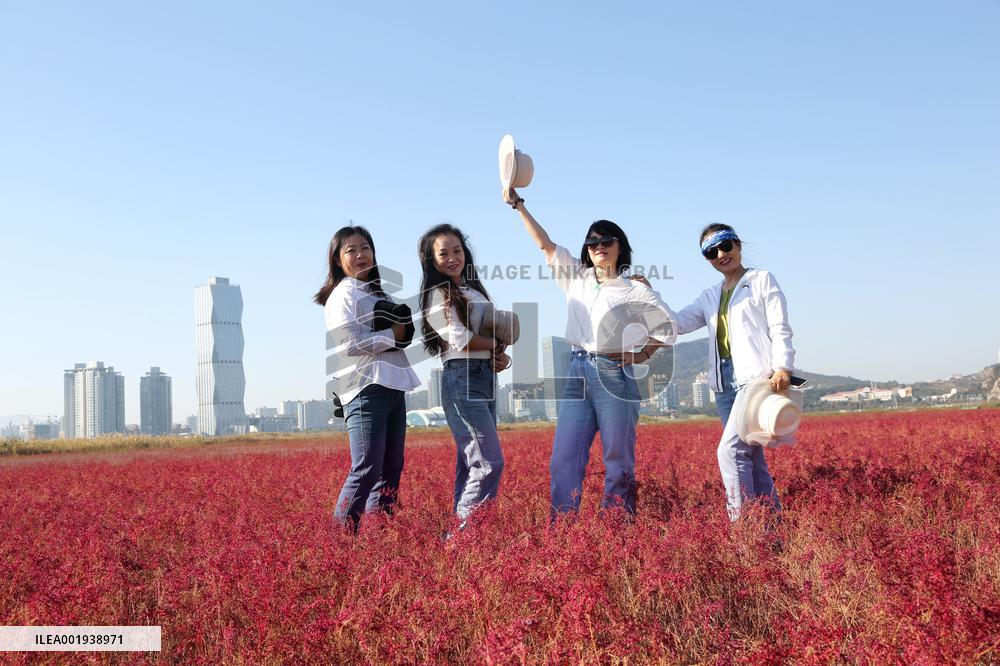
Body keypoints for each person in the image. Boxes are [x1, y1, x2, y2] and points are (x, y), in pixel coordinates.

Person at [504, 187, 675, 516]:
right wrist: (519, 205)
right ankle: (564, 533)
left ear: (619, 246)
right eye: (592, 242)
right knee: (564, 458)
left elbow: (668, 326)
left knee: (617, 459)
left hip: (614, 374)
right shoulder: (576, 277)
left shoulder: (634, 287)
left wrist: (642, 354)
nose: (599, 247)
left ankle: (617, 532)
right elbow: (545, 244)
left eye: (606, 241)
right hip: (576, 372)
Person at [670, 223, 795, 520]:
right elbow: (677, 323)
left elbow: (780, 326)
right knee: (751, 456)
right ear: (707, 259)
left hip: (756, 379)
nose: (722, 254)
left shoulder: (761, 280)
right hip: (724, 385)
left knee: (729, 452)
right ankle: (772, 529)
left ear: (738, 244)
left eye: (726, 245)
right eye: (712, 252)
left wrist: (783, 366)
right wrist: (646, 298)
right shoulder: (709, 296)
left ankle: (743, 530)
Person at [315, 225, 419, 531]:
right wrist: (393, 334)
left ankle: (379, 538)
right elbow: (348, 345)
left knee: (390, 469)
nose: (361, 255)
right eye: (351, 250)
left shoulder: (376, 293)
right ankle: (339, 542)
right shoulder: (342, 295)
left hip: (392, 385)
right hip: (364, 388)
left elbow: (400, 333)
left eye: (366, 248)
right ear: (337, 259)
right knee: (366, 468)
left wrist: (402, 334)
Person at [418, 224, 510, 529]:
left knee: (469, 463)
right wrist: (495, 344)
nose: (452, 257)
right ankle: (464, 538)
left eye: (457, 250)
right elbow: (459, 339)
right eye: (443, 253)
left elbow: (490, 332)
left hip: (484, 376)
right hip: (462, 377)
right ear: (431, 260)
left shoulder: (473, 290)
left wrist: (499, 354)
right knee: (488, 464)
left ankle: (463, 534)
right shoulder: (437, 294)